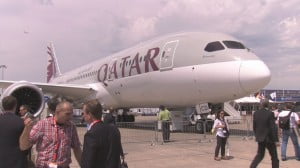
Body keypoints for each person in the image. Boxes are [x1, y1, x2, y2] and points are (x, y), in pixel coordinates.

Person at [20, 101, 82, 168]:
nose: (70, 117)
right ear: (57, 112)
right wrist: (27, 129)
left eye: (71, 114)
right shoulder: (42, 124)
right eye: (67, 114)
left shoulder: (71, 127)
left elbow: (77, 148)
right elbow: (24, 146)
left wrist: (83, 165)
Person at [81, 100, 123, 168]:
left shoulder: (91, 134)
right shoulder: (114, 130)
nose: (83, 116)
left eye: (84, 113)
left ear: (89, 115)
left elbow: (87, 163)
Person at [0, 96, 28, 168]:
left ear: (2, 106)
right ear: (15, 106)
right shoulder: (22, 122)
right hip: (17, 161)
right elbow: (25, 145)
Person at [250, 99, 279, 168]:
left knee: (260, 155)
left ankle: (252, 166)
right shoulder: (270, 113)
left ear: (261, 104)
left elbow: (254, 126)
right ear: (268, 105)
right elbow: (273, 127)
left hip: (260, 138)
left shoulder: (256, 113)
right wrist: (276, 140)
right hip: (269, 139)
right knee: (274, 157)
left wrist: (257, 135)